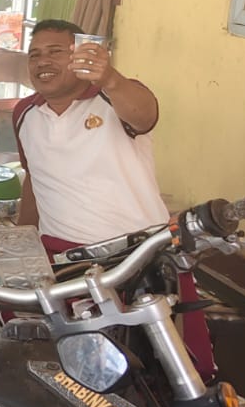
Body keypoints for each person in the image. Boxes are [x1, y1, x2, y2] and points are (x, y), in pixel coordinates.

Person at [12, 20, 214, 373]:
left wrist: (109, 78)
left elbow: (145, 114)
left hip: (137, 258)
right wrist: (19, 245)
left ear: (79, 55)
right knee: (65, 368)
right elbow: (35, 177)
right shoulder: (25, 114)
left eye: (56, 52)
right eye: (34, 54)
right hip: (65, 260)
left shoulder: (114, 97)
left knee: (163, 368)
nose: (42, 61)